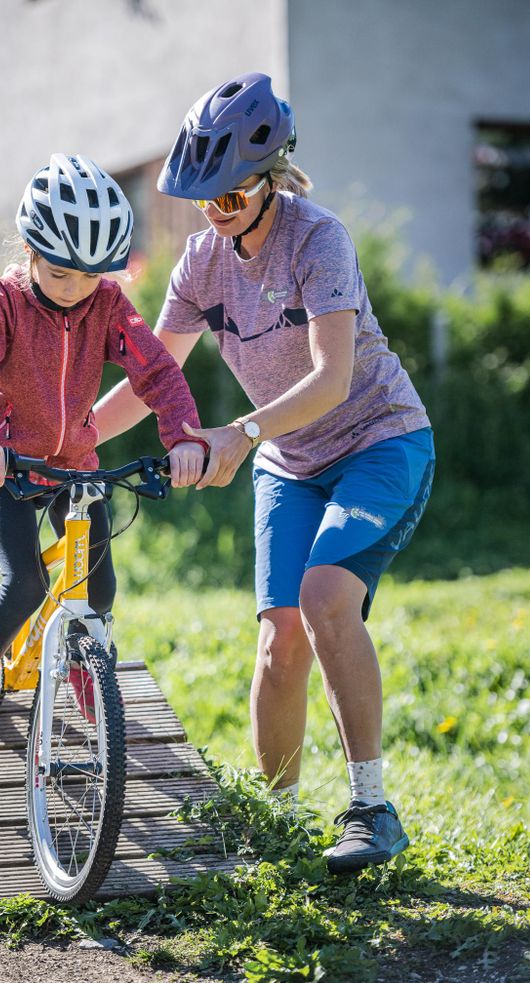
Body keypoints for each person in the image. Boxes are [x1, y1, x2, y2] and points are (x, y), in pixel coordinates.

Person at [93, 74, 435, 874]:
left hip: (379, 443)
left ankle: (371, 807)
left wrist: (239, 433)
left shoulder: (319, 240)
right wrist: (73, 439)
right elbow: (153, 376)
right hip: (291, 463)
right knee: (279, 636)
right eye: (203, 198)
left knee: (322, 597)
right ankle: (280, 822)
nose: (216, 212)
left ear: (270, 175)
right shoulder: (201, 264)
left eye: (232, 194)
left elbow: (331, 379)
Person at [0, 153, 206, 774]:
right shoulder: (4, 301)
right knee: (26, 584)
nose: (74, 289)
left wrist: (184, 436)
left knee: (100, 585)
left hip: (77, 464)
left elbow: (156, 369)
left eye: (90, 277)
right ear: (29, 250)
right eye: (59, 274)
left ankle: (83, 664)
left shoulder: (106, 304)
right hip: (8, 463)